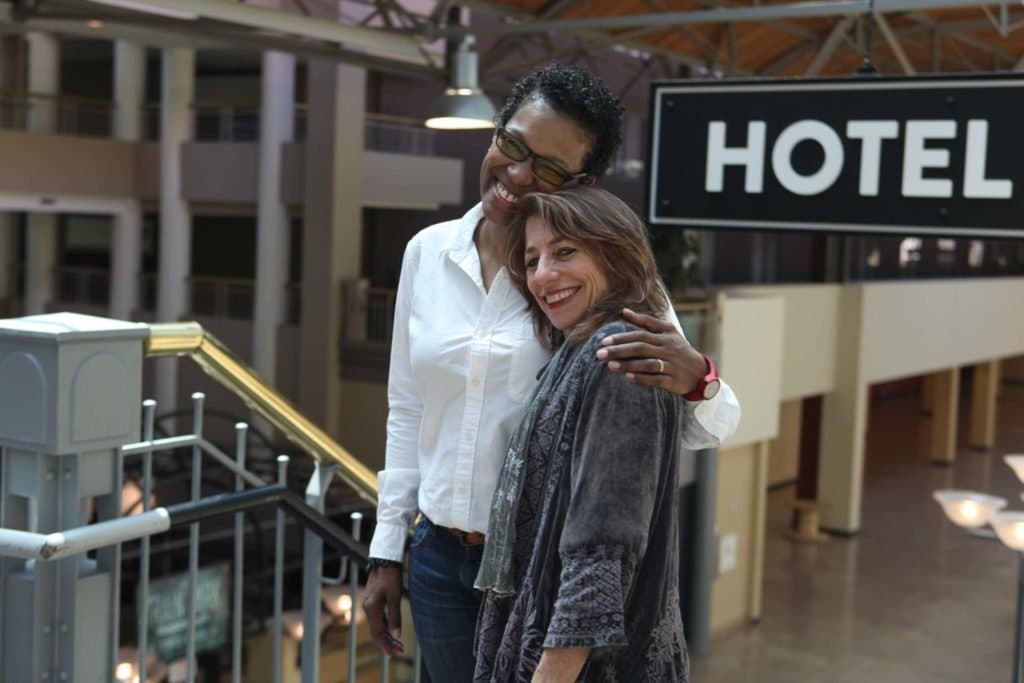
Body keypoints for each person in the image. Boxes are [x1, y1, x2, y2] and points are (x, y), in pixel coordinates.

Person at [362, 63, 740, 682]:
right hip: (436, 558)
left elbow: (702, 425)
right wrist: (387, 549)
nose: (516, 174)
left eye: (548, 168)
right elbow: (407, 406)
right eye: (512, 145)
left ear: (582, 183)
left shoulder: (588, 279)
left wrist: (698, 376)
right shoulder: (427, 253)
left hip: (533, 571)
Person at [474, 186, 696, 682]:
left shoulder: (619, 358)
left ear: (616, 254)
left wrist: (550, 674)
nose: (542, 275)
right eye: (532, 260)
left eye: (565, 251)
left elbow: (602, 547)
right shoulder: (579, 351)